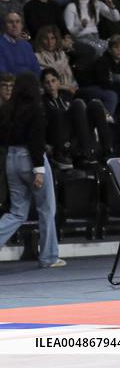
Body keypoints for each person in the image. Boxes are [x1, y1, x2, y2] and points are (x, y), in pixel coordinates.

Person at [0, 72, 64, 267]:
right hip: (31, 160)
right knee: (46, 209)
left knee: (17, 212)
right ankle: (48, 257)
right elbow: (36, 140)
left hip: (11, 159)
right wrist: (39, 169)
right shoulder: (35, 108)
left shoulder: (8, 108)